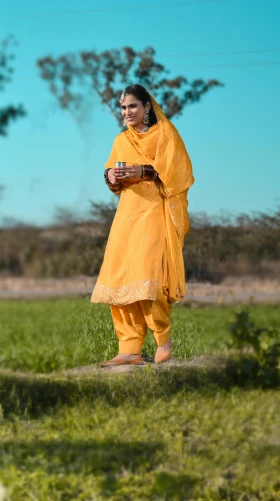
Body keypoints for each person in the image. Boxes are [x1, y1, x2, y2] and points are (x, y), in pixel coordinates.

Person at [91, 84, 194, 367]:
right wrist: (112, 176)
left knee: (149, 279)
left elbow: (180, 173)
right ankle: (129, 348)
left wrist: (144, 171)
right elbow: (110, 178)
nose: (127, 112)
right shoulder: (121, 140)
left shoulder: (166, 135)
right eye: (123, 108)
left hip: (156, 211)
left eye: (133, 106)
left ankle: (163, 339)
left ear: (147, 106)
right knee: (120, 277)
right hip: (127, 215)